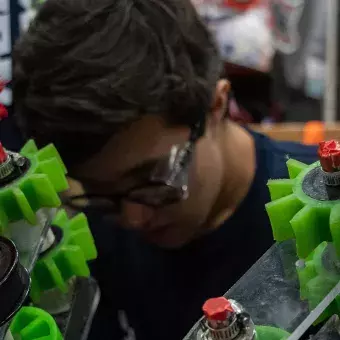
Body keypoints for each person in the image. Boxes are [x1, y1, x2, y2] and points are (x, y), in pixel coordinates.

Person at [12, 0, 318, 339]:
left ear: (217, 106)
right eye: (101, 193)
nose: (133, 218)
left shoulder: (321, 217)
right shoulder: (91, 234)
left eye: (153, 178)